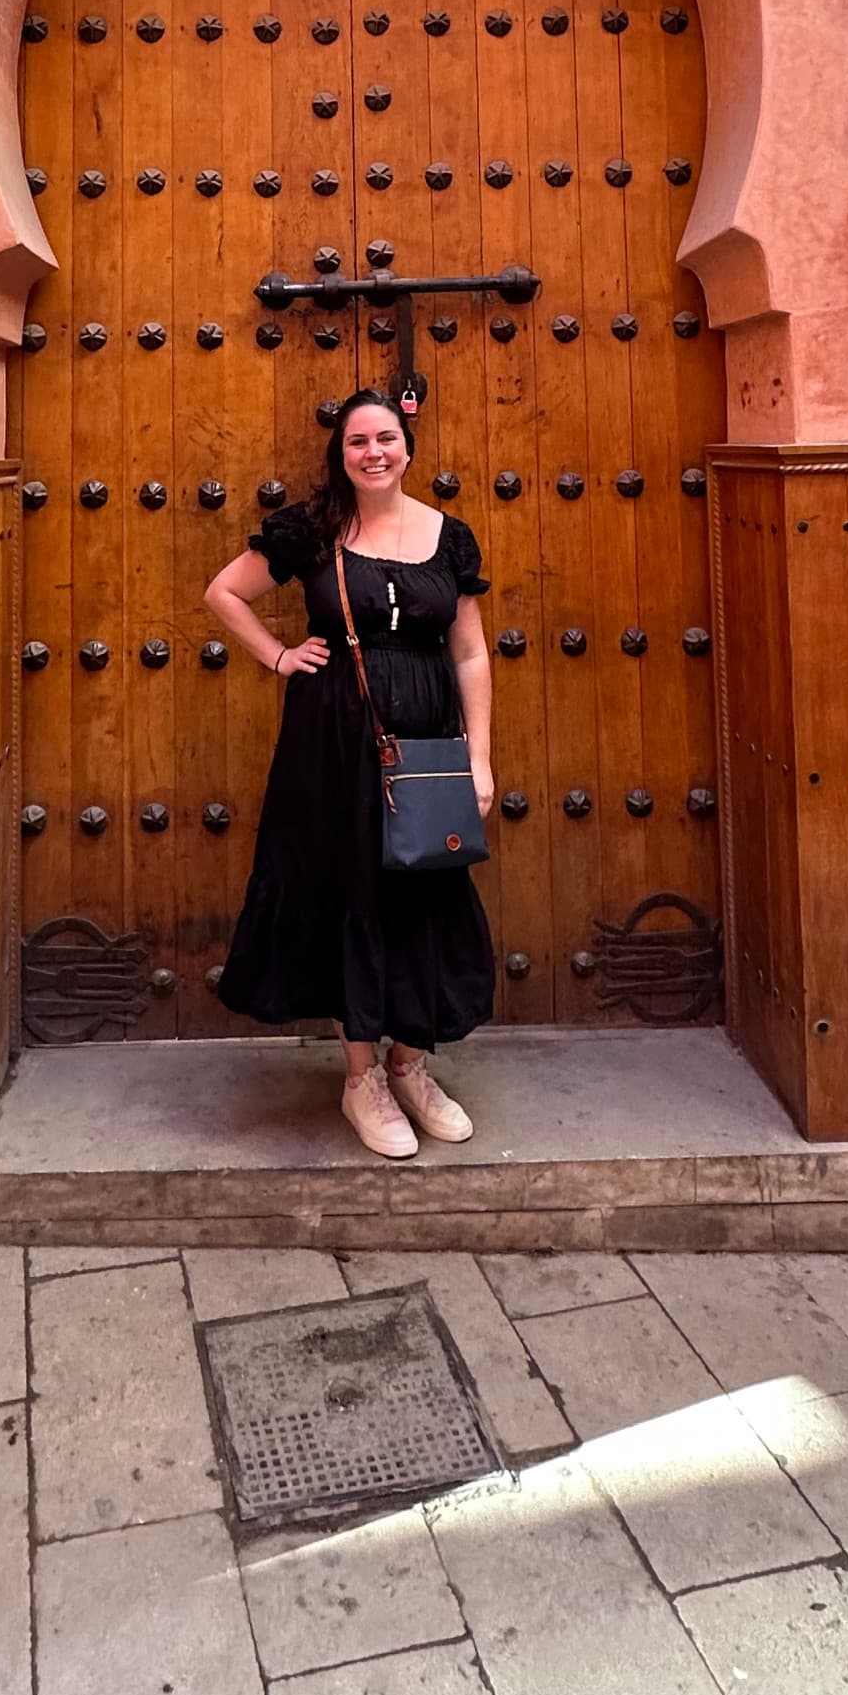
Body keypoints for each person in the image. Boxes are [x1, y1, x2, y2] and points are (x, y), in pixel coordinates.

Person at [204, 388, 497, 1159]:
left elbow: (469, 651)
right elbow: (224, 592)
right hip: (332, 742)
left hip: (427, 746)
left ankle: (410, 1063)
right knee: (349, 891)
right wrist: (278, 656)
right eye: (358, 440)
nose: (374, 451)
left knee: (422, 891)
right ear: (341, 453)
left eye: (387, 438)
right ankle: (361, 1074)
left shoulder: (448, 536)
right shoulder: (313, 528)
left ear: (408, 446)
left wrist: (480, 757)